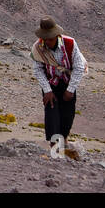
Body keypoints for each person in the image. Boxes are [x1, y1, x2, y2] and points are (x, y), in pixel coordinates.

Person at [31, 16, 87, 157]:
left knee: (67, 114)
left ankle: (64, 138)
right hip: (51, 83)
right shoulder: (38, 47)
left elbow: (79, 67)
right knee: (51, 112)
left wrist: (70, 90)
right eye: (45, 38)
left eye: (50, 38)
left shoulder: (70, 43)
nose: (47, 41)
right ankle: (54, 146)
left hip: (68, 81)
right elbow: (38, 69)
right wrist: (47, 91)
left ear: (57, 35)